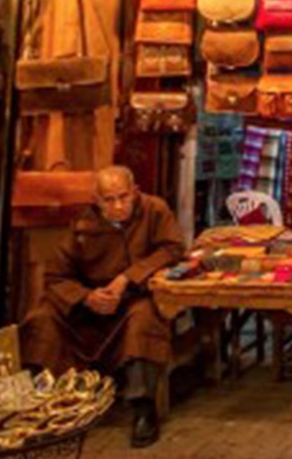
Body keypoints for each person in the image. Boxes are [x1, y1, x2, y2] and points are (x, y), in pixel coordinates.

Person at [21, 167, 184, 448]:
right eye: (109, 200)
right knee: (42, 317)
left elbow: (172, 249)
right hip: (91, 304)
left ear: (135, 192)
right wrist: (87, 297)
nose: (118, 206)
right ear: (96, 200)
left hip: (134, 296)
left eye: (124, 197)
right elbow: (57, 276)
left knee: (144, 319)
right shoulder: (83, 223)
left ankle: (143, 408)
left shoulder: (154, 210)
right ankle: (43, 404)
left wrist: (127, 278)